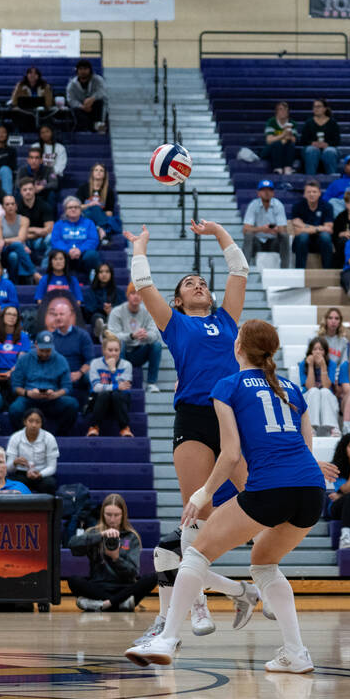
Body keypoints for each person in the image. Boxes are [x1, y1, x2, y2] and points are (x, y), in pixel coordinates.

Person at [126, 319, 332, 672]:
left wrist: (203, 493)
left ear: (238, 347)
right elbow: (306, 446)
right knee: (265, 563)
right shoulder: (292, 389)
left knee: (195, 554)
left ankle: (167, 639)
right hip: (312, 488)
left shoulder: (228, 386)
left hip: (270, 485)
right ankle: (295, 653)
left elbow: (231, 453)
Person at [123, 220, 258, 640]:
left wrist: (218, 234)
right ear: (178, 299)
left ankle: (255, 585)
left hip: (233, 415)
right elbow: (143, 284)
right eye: (189, 283)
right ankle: (197, 602)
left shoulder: (227, 319)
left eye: (201, 281)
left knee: (260, 499)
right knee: (193, 514)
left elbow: (239, 272)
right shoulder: (175, 324)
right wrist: (141, 245)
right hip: (194, 418)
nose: (197, 284)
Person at [69, 494, 156, 611]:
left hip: (124, 587)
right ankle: (119, 604)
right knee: (74, 580)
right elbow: (72, 544)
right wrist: (100, 536)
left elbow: (133, 573)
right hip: (99, 586)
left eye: (116, 515)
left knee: (154, 577)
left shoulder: (131, 537)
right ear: (102, 514)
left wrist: (116, 558)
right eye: (108, 515)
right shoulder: (94, 533)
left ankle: (100, 604)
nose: (112, 519)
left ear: (123, 515)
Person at [8, 331, 80, 435]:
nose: (45, 353)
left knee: (72, 404)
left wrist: (56, 394)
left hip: (52, 399)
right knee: (15, 409)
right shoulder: (24, 359)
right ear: (36, 344)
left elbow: (67, 386)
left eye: (48, 350)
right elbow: (16, 386)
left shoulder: (61, 360)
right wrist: (28, 393)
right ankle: (24, 436)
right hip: (30, 398)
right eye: (42, 350)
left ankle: (60, 435)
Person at [109, 283, 164, 394]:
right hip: (122, 352)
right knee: (119, 343)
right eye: (133, 293)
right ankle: (121, 380)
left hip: (139, 352)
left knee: (157, 345)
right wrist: (131, 336)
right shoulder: (117, 311)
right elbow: (112, 336)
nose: (136, 296)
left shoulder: (148, 312)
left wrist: (146, 336)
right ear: (127, 295)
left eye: (139, 294)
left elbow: (155, 334)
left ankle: (151, 383)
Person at [87, 335, 135, 437]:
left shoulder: (126, 365)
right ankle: (94, 427)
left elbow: (125, 389)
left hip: (119, 401)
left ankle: (124, 428)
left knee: (116, 395)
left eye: (116, 350)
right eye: (110, 350)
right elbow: (96, 387)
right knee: (104, 394)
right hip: (100, 400)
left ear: (120, 351)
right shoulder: (95, 363)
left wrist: (113, 370)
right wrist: (115, 386)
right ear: (103, 351)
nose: (113, 353)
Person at [5, 408, 60, 494]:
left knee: (50, 484)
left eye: (37, 422)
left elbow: (52, 467)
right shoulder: (15, 437)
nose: (34, 425)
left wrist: (40, 474)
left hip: (42, 474)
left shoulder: (49, 438)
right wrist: (15, 463)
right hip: (21, 473)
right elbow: (8, 468)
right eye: (30, 421)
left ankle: (46, 507)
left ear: (41, 424)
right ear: (25, 422)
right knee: (12, 483)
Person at [298, 337, 343, 438]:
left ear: (326, 352)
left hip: (326, 397)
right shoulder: (303, 364)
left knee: (324, 391)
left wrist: (323, 366)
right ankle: (310, 428)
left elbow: (327, 386)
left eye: (321, 349)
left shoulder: (331, 364)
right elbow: (309, 386)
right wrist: (310, 366)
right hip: (308, 396)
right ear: (310, 351)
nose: (317, 352)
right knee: (314, 391)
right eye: (315, 349)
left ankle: (333, 428)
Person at [48, 297, 95, 393]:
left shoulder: (82, 335)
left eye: (61, 314)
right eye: (56, 315)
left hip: (78, 375)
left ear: (70, 315)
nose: (58, 317)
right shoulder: (50, 337)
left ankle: (91, 404)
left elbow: (90, 361)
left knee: (91, 375)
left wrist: (79, 373)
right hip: (57, 376)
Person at [241, 179, 289, 268]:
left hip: (274, 241)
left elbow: (283, 229)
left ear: (273, 193)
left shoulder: (278, 205)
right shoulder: (253, 205)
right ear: (258, 193)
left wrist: (276, 229)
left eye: (269, 190)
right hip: (258, 241)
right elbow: (245, 229)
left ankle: (285, 268)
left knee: (285, 236)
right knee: (248, 235)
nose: (266, 192)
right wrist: (262, 229)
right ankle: (244, 268)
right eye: (263, 190)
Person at [50, 197, 102, 278]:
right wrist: (68, 250)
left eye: (76, 207)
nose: (73, 209)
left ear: (80, 209)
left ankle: (93, 279)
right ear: (65, 210)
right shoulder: (59, 224)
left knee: (92, 255)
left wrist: (80, 250)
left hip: (83, 255)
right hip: (66, 256)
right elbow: (56, 241)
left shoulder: (89, 223)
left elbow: (93, 240)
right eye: (70, 207)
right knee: (55, 254)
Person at [290, 179, 335, 269]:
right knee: (303, 237)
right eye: (309, 192)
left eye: (314, 192)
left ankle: (328, 270)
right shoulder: (297, 207)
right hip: (302, 243)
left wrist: (304, 226)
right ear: (304, 194)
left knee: (325, 237)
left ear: (319, 193)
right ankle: (300, 271)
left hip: (320, 242)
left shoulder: (327, 206)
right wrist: (319, 228)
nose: (311, 194)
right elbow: (297, 231)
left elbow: (329, 229)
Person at [0, 193, 37, 284]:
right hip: (3, 251)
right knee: (17, 245)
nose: (10, 206)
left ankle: (14, 282)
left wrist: (5, 240)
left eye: (12, 204)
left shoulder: (24, 220)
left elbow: (21, 238)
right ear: (3, 207)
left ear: (16, 206)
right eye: (7, 204)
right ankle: (33, 273)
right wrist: (15, 242)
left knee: (13, 256)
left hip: (18, 251)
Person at [0, 305, 30, 394]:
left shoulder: (24, 337)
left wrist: (10, 373)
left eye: (15, 315)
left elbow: (20, 361)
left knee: (14, 380)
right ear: (3, 316)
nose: (12, 317)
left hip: (15, 372)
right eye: (9, 314)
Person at [77, 162, 119, 240]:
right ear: (92, 173)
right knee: (91, 210)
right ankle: (101, 229)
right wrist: (90, 205)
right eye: (96, 170)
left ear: (104, 174)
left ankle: (96, 229)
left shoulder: (109, 191)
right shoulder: (83, 188)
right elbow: (77, 207)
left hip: (101, 216)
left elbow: (109, 213)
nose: (98, 172)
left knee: (96, 209)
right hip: (85, 215)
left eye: (101, 170)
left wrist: (98, 210)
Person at [18, 179, 56, 264]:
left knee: (51, 238)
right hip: (23, 240)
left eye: (30, 189)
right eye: (25, 190)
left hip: (39, 240)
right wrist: (36, 230)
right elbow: (15, 231)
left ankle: (44, 268)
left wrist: (26, 230)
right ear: (20, 192)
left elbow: (49, 229)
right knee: (16, 241)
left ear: (35, 190)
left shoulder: (44, 205)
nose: (28, 192)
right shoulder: (16, 207)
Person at [299, 99, 341, 175]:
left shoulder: (332, 123)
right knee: (312, 150)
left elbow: (337, 141)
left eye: (318, 106)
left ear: (325, 109)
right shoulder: (309, 122)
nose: (316, 109)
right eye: (314, 107)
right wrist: (312, 143)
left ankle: (332, 179)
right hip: (312, 149)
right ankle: (310, 179)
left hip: (328, 149)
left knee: (330, 151)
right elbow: (303, 140)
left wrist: (326, 144)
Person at [67, 59, 108, 132]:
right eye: (80, 69)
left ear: (90, 70)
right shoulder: (72, 84)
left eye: (85, 69)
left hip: (95, 107)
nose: (83, 71)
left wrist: (92, 99)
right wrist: (82, 106)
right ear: (77, 71)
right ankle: (89, 128)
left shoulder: (98, 80)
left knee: (99, 103)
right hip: (81, 108)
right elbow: (71, 100)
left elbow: (103, 92)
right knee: (76, 110)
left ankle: (99, 126)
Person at [83, 263, 122, 339]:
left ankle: (105, 331)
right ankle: (101, 328)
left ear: (111, 274)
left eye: (107, 272)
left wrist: (112, 309)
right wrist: (103, 308)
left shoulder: (118, 291)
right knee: (97, 317)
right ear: (97, 274)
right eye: (101, 272)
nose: (104, 274)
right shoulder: (90, 291)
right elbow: (89, 308)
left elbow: (122, 306)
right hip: (96, 316)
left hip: (114, 316)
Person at [262, 101, 297, 174]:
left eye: (285, 110)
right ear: (276, 111)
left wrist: (286, 138)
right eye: (280, 109)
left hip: (286, 148)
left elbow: (294, 140)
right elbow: (269, 140)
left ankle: (288, 168)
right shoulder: (271, 122)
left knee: (290, 144)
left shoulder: (292, 123)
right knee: (278, 144)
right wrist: (283, 135)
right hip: (272, 150)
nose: (283, 112)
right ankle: (278, 168)